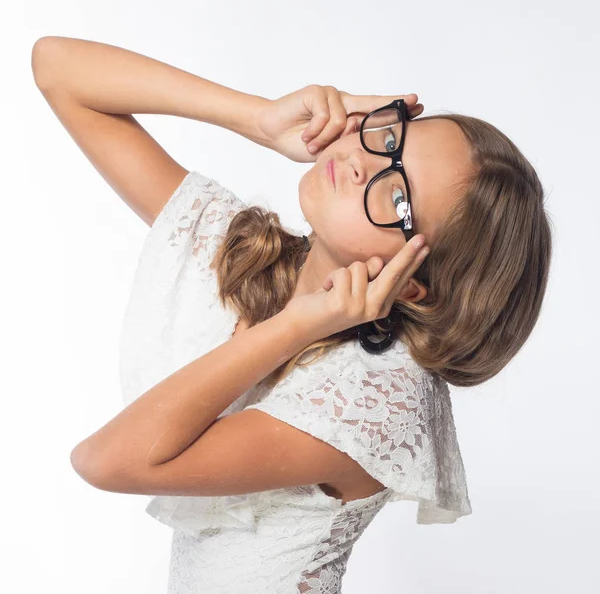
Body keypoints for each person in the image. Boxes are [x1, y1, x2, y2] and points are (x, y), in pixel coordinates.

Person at [32, 36, 553, 593]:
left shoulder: (377, 395)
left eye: (399, 197)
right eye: (388, 140)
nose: (360, 162)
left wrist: (297, 325)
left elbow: (105, 461)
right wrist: (255, 118)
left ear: (414, 286)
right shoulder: (255, 259)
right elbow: (58, 68)